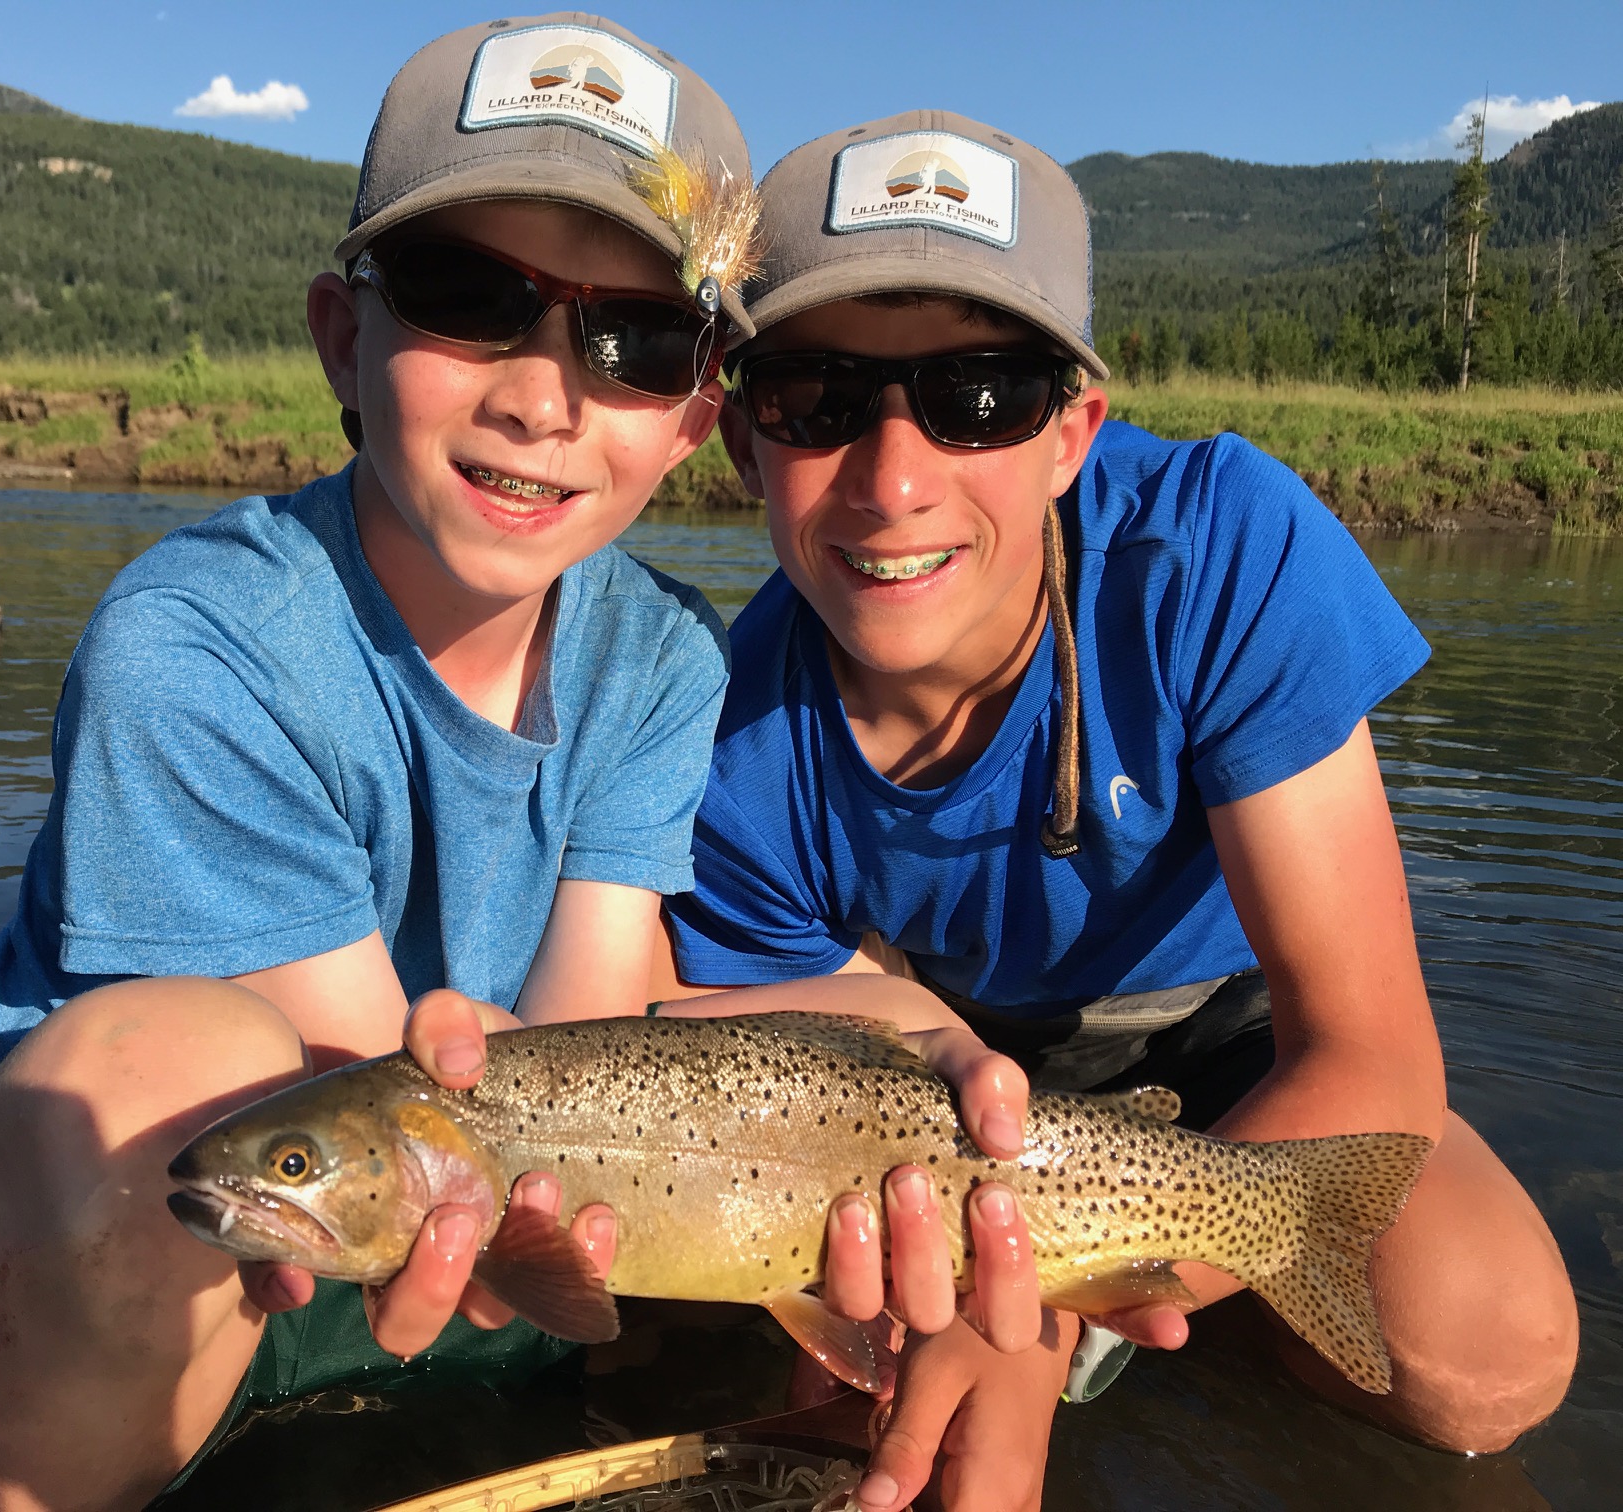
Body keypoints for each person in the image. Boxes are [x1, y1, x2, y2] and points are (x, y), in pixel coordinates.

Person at [0, 16, 792, 1508]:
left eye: (636, 342)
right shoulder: (197, 640)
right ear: (345, 337)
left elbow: (578, 1051)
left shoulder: (666, 657)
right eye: (473, 299)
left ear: (691, 422)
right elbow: (358, 1097)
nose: (543, 396)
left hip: (442, 1250)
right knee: (185, 1077)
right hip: (106, 1267)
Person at [655, 109, 1581, 1512]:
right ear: (742, 440)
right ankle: (1173, 1333)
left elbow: (1371, 1057)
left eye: (981, 399)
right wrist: (952, 1291)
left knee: (1481, 1357)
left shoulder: (1218, 550)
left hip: (1231, 1060)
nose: (895, 480)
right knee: (853, 1417)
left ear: (1076, 431)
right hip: (920, 1119)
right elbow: (814, 1101)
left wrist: (1059, 1316)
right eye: (820, 398)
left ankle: (1167, 1324)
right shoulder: (722, 750)